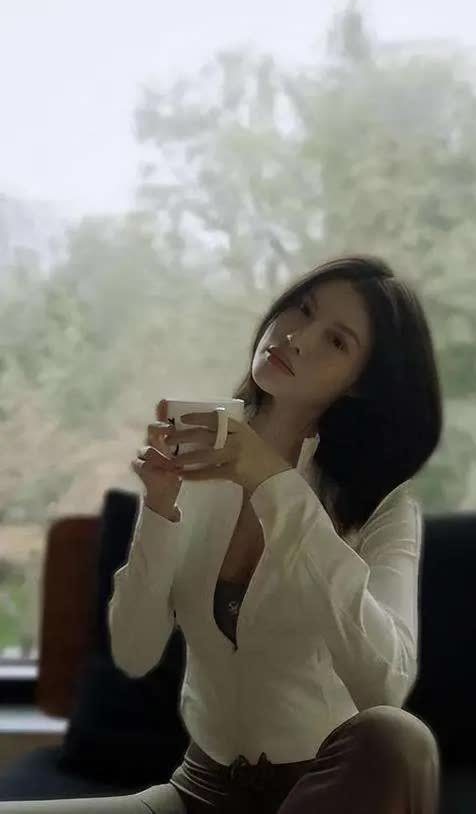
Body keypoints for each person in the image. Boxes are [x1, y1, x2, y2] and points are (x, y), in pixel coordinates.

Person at [3, 254, 444, 813]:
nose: (297, 336)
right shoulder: (201, 462)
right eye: (302, 309)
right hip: (197, 792)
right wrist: (158, 509)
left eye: (336, 341)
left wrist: (273, 484)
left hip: (317, 796)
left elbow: (386, 682)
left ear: (361, 383)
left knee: (399, 738)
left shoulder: (386, 507)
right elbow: (135, 650)